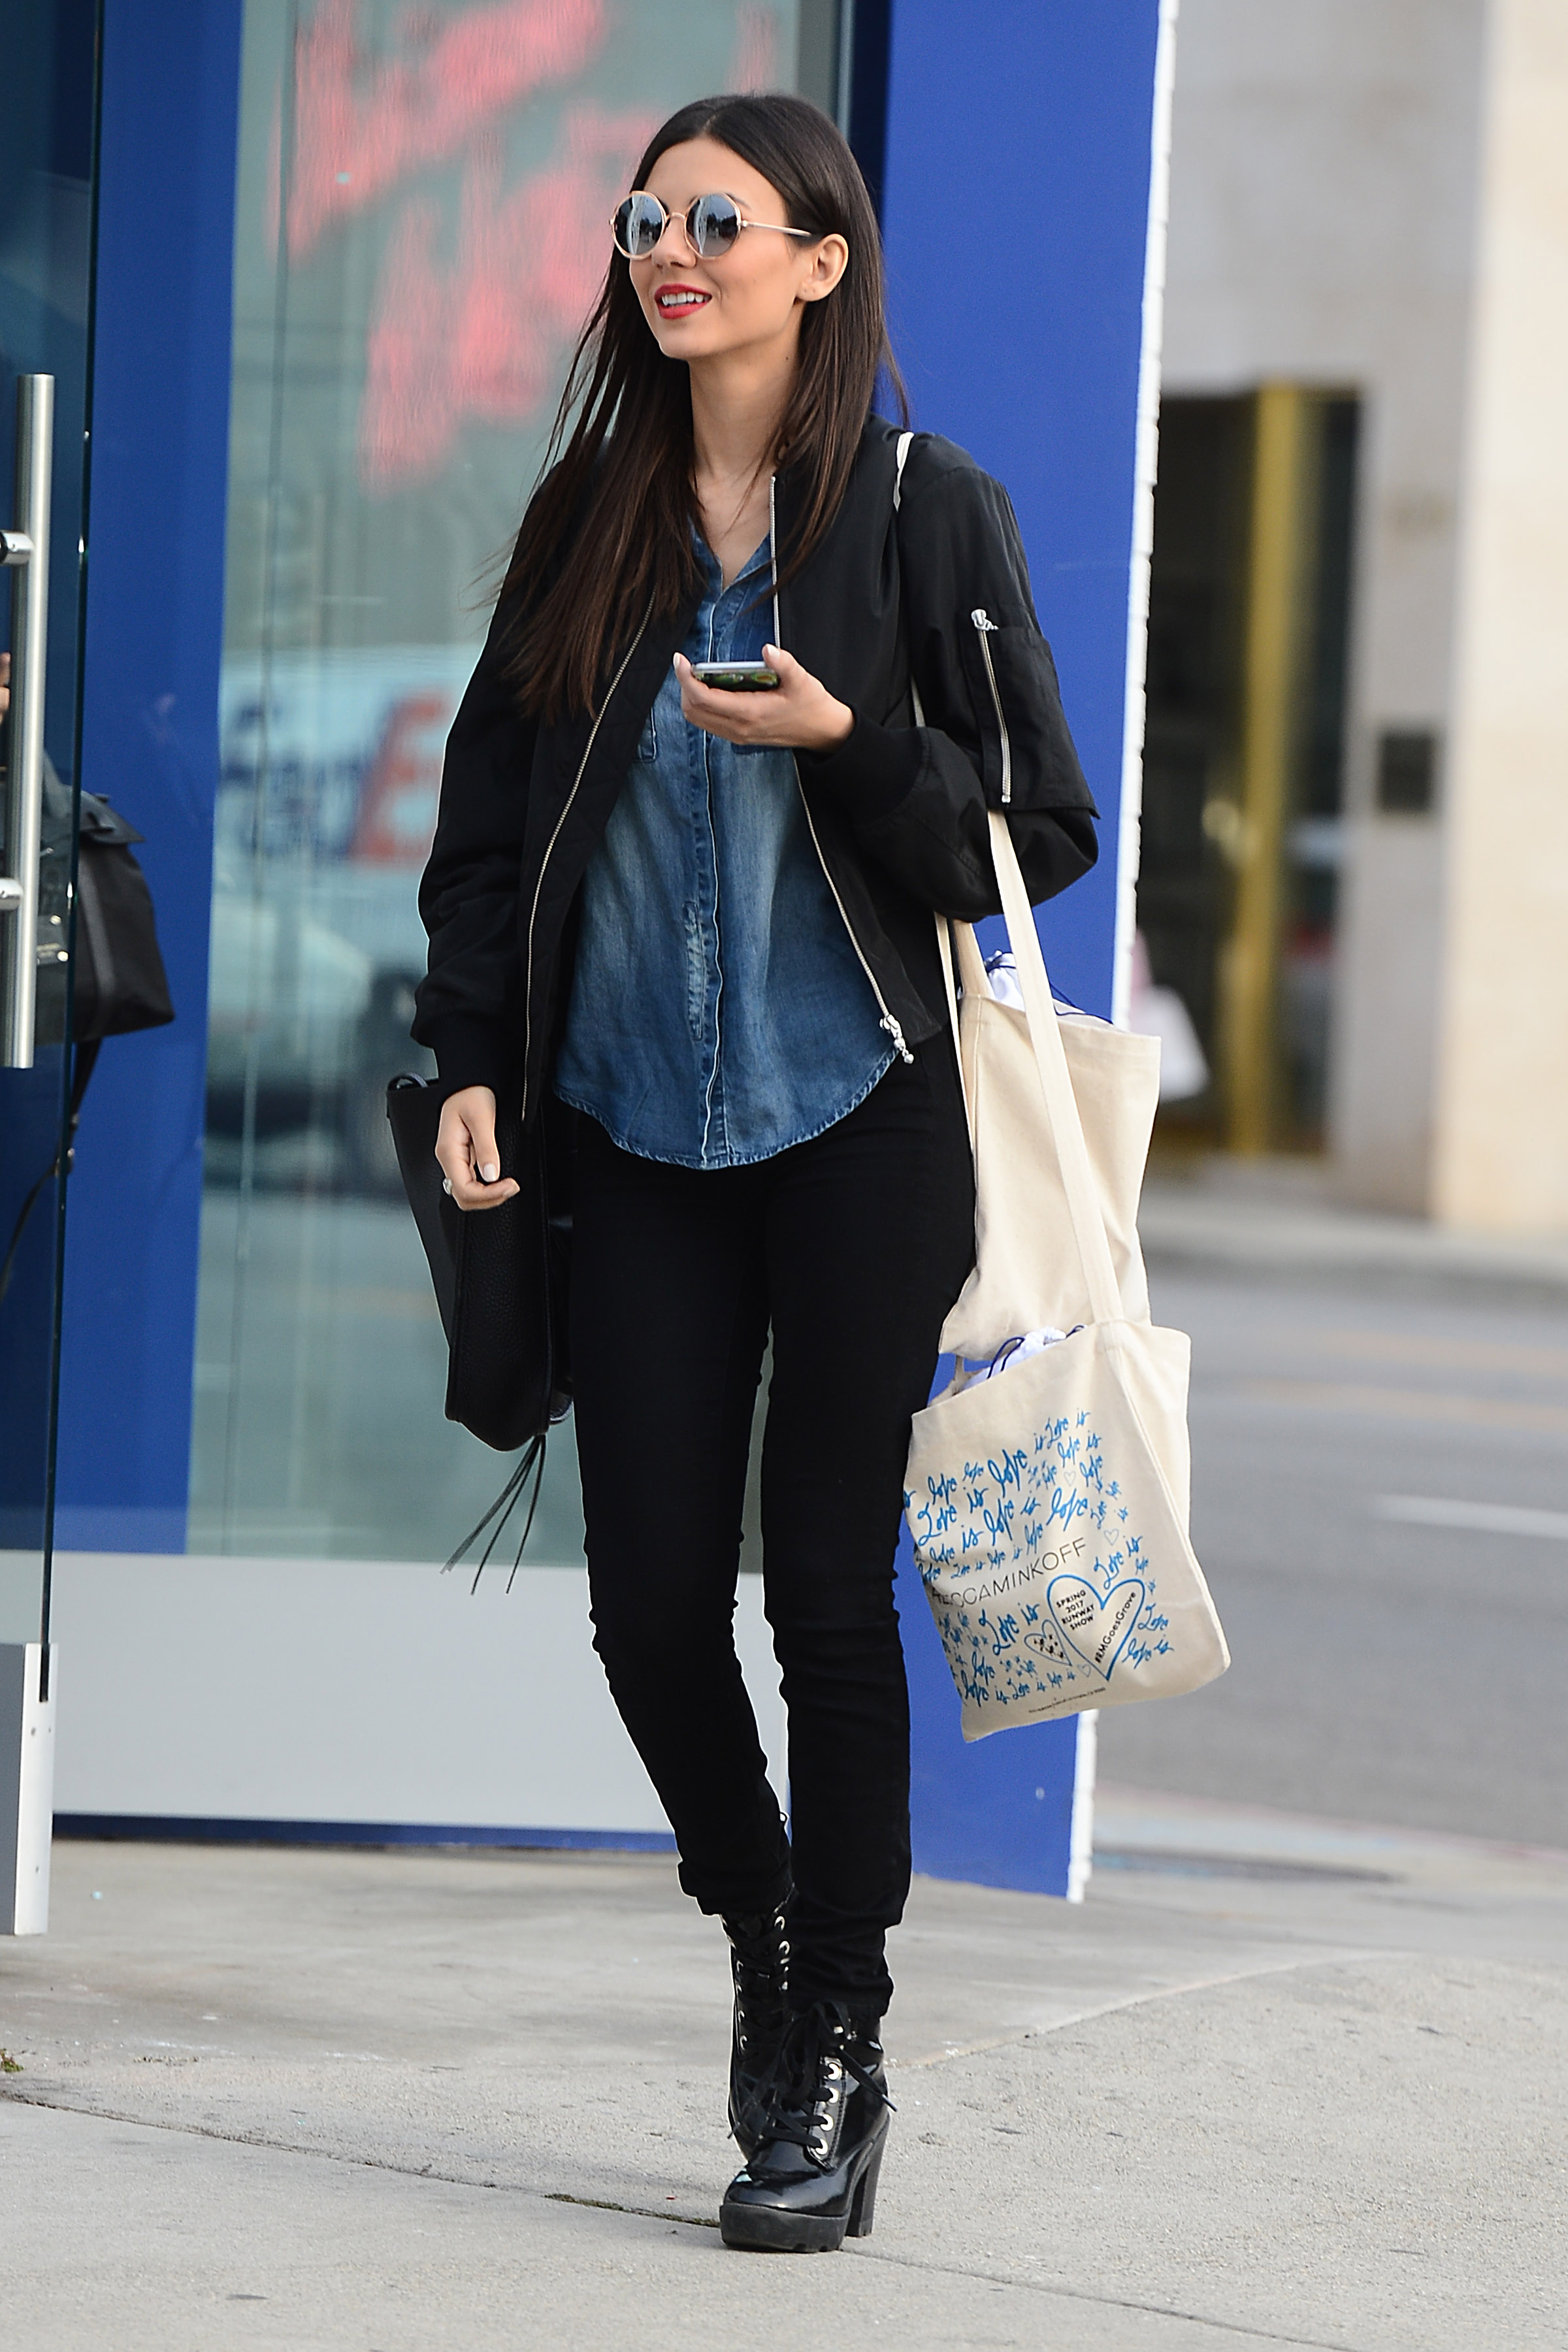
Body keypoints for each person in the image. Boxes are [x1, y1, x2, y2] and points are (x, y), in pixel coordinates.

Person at [415, 91, 1097, 2253]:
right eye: (647, 217)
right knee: (643, 1606)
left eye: (717, 219)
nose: (670, 250)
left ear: (821, 259)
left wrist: (852, 744)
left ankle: (838, 2042)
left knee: (822, 1593)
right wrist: (469, 1058)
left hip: (860, 1117)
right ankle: (763, 1920)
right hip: (632, 1123)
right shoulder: (590, 521)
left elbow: (1041, 828)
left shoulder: (921, 511)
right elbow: (488, 825)